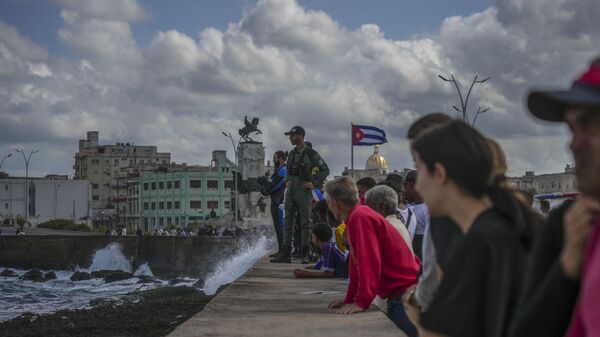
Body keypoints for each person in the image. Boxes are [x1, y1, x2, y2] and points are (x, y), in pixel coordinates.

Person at [404, 120, 532, 337]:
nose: (417, 186)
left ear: (440, 173)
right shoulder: (507, 224)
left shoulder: (482, 240)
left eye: (419, 169)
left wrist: (413, 308)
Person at [510, 58, 600, 337]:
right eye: (572, 128)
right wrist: (568, 265)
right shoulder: (572, 226)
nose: (573, 144)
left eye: (590, 125)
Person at [325, 176, 420, 337]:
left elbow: (369, 261)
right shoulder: (358, 216)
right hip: (401, 294)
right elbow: (356, 266)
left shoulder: (360, 217)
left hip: (405, 295)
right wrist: (351, 299)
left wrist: (361, 301)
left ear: (334, 203)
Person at [271, 126, 329, 264]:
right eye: (290, 136)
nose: (290, 138)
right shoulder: (291, 154)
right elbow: (289, 173)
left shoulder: (310, 153)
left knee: (305, 223)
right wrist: (288, 183)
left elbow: (325, 169)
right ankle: (285, 252)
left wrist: (313, 183)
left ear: (301, 136)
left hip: (304, 190)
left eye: (293, 135)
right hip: (292, 190)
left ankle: (304, 253)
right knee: (288, 222)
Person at [365, 185, 414, 254]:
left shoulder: (385, 228)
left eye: (369, 208)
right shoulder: (397, 223)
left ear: (382, 207)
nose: (367, 213)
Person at [262, 151, 288, 257]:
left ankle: (283, 251)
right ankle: (280, 250)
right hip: (275, 200)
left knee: (280, 225)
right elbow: (272, 182)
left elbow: (277, 185)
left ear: (281, 158)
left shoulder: (283, 170)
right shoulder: (278, 170)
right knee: (277, 226)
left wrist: (267, 190)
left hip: (280, 201)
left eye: (275, 158)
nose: (274, 160)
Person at [403, 170, 428, 259]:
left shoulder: (427, 210)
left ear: (412, 185)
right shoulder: (410, 206)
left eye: (406, 185)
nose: (404, 190)